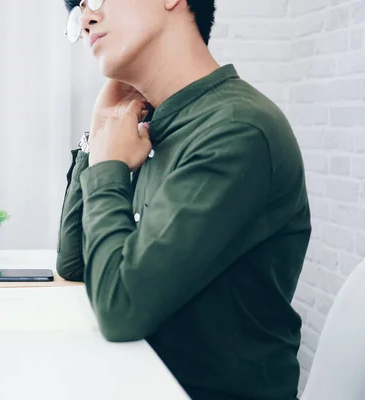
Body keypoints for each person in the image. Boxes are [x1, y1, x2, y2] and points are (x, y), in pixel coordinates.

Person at [56, 1, 311, 399]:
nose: (85, 19)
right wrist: (98, 134)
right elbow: (74, 265)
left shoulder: (234, 129)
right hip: (143, 381)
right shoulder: (150, 124)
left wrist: (110, 168)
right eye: (78, 11)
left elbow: (119, 309)